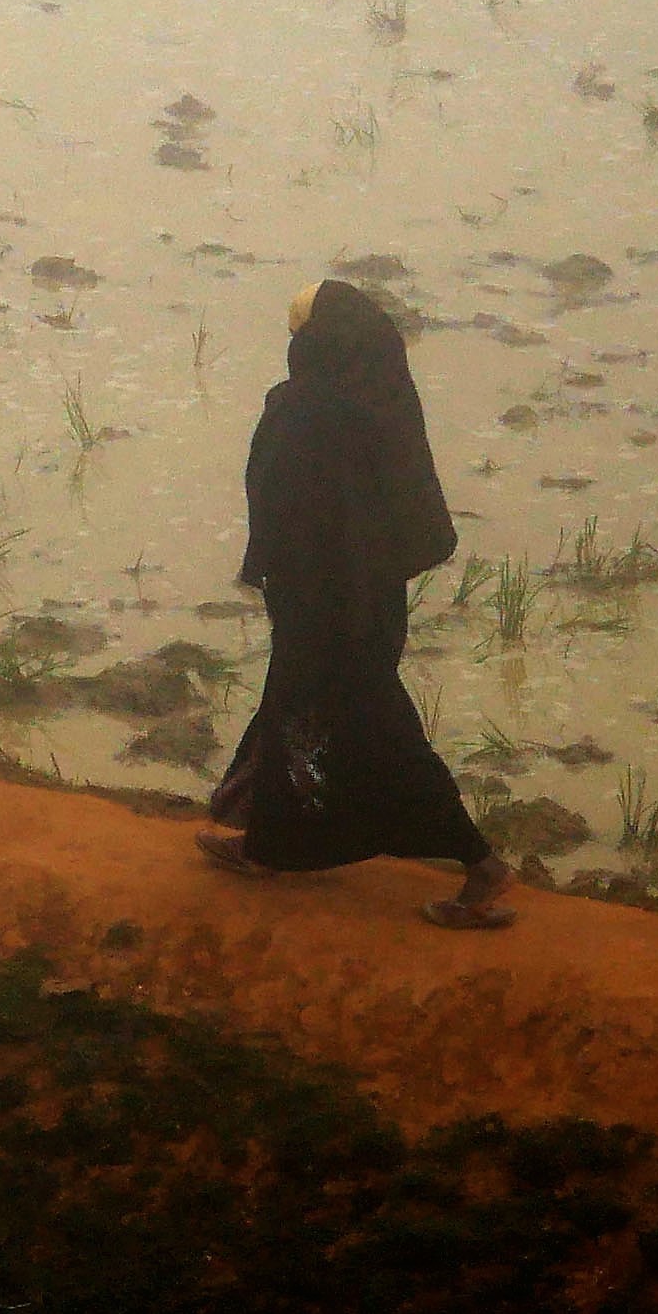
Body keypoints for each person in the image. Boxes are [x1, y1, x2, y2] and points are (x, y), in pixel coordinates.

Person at [199, 282, 515, 929]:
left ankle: (479, 861)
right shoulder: (380, 405)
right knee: (298, 715)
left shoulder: (305, 410)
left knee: (372, 730)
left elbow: (286, 504)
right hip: (369, 600)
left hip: (323, 603)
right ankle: (268, 846)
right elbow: (394, 515)